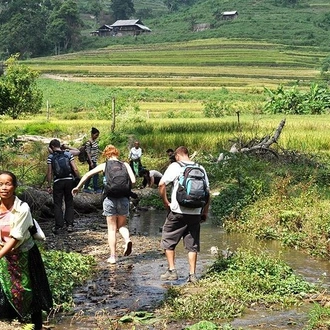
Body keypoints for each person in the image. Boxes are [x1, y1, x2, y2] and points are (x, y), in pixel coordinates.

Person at [0, 171, 53, 330]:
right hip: (3, 254)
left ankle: (37, 326)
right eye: (0, 184)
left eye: (8, 184)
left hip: (24, 254)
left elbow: (16, 237)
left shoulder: (22, 208)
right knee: (3, 294)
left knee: (31, 292)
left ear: (14, 187)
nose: (4, 187)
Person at [72, 144, 136, 264]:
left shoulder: (104, 165)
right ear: (116, 153)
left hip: (109, 198)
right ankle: (127, 240)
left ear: (106, 155)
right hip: (124, 198)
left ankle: (113, 257)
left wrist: (77, 187)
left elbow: (87, 175)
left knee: (111, 229)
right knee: (122, 226)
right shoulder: (125, 165)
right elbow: (133, 181)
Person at [158, 146, 210, 283]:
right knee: (192, 244)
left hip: (177, 211)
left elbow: (161, 184)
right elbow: (208, 193)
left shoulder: (176, 166)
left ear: (177, 156)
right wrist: (204, 212)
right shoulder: (200, 168)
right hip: (195, 212)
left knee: (168, 239)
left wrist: (166, 202)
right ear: (188, 154)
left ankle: (172, 271)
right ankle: (192, 275)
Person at [47, 139, 80, 234]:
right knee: (69, 202)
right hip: (69, 181)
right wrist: (78, 179)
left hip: (58, 182)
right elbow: (75, 168)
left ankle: (59, 226)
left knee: (58, 204)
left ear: (52, 146)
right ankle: (70, 225)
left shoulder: (51, 157)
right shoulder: (68, 154)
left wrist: (49, 186)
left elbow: (49, 172)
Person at [84, 127, 102, 194]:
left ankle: (85, 187)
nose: (97, 136)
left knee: (90, 174)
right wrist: (91, 162)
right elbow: (88, 152)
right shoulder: (88, 142)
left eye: (97, 135)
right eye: (96, 135)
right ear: (92, 134)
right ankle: (95, 188)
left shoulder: (95, 142)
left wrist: (102, 152)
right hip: (91, 160)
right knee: (95, 174)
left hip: (94, 160)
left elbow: (96, 149)